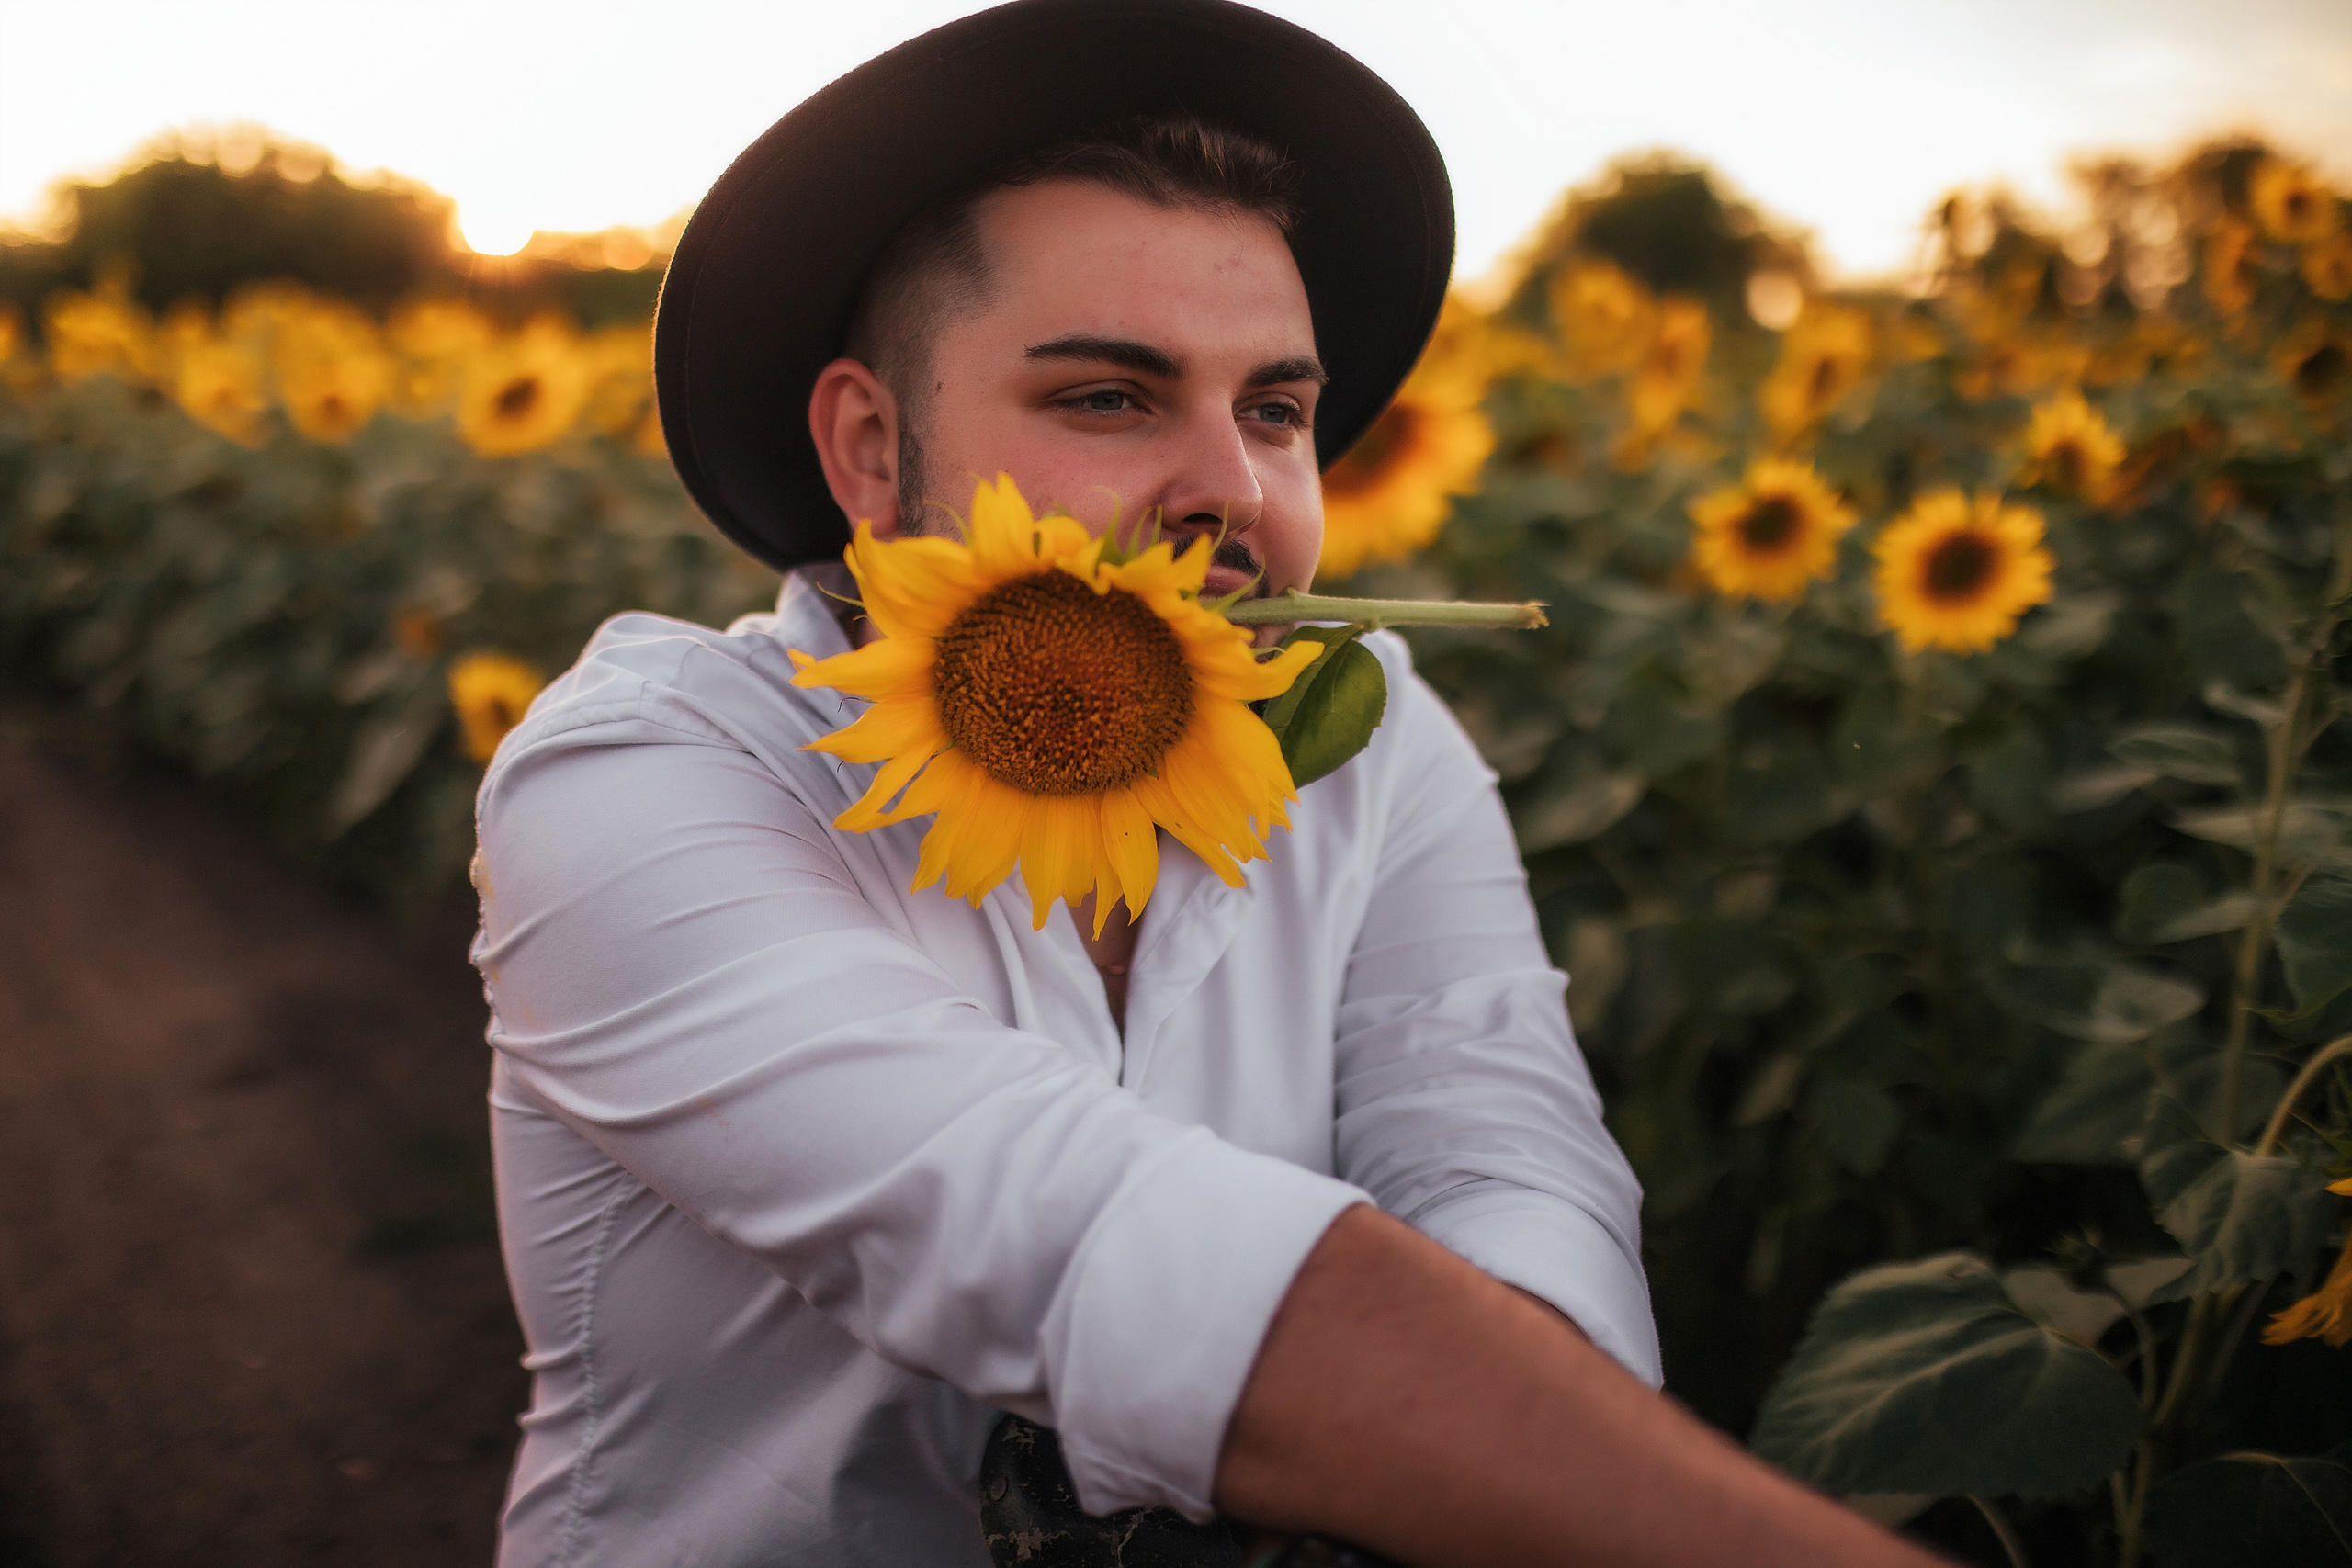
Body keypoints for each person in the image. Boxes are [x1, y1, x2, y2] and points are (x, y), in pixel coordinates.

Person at [470, 3, 1946, 1564]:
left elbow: (1498, 1148)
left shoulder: (1368, 741)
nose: (1233, 490)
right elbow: (1056, 1230)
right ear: (869, 449)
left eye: (1277, 411)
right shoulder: (642, 781)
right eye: (1108, 397)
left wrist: (1486, 1458)